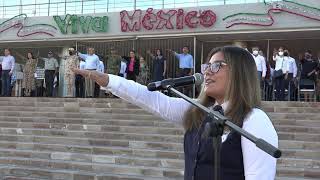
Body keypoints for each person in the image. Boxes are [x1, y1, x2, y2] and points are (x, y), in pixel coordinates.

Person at [72, 46, 278, 180]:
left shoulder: (254, 120)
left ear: (240, 72)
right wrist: (106, 80)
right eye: (207, 66)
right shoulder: (197, 112)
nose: (206, 72)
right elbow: (150, 98)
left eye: (217, 66)